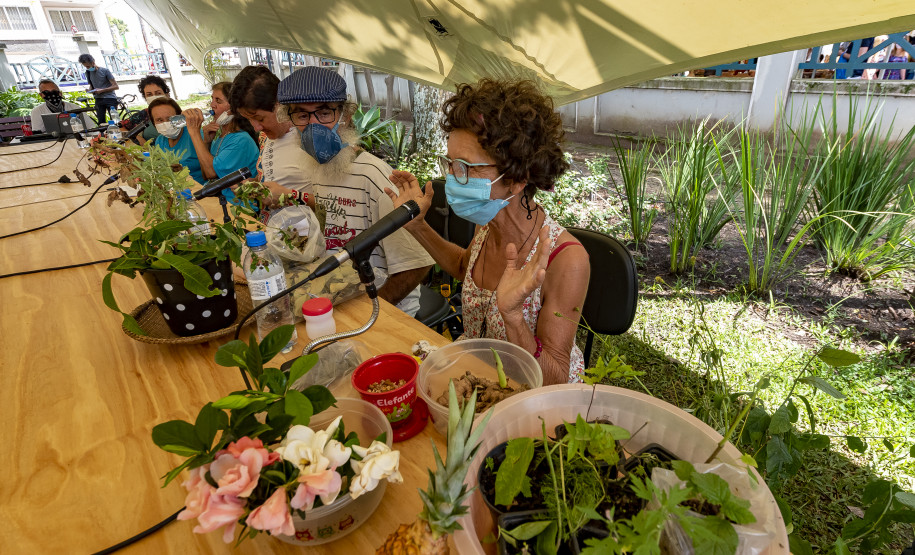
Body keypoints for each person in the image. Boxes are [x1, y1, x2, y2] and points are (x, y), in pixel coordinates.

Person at [386, 79, 591, 385]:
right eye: (451, 164)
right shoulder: (488, 220)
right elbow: (463, 266)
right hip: (478, 376)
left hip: (532, 395)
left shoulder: (566, 259)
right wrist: (417, 226)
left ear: (517, 177)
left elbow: (556, 379)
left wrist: (514, 318)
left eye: (467, 167)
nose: (453, 178)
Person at [275, 66, 434, 317]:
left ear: (345, 116)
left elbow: (417, 265)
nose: (313, 126)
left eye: (324, 113)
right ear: (290, 119)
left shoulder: (374, 177)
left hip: (385, 308)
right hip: (343, 296)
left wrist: (372, 314)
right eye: (302, 115)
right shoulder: (319, 169)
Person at [230, 65, 313, 197]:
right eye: (249, 119)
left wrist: (290, 196)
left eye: (260, 119)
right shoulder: (264, 136)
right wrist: (255, 185)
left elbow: (333, 201)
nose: (256, 128)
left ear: (279, 104)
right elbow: (275, 177)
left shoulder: (312, 137)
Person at [183, 81, 259, 201]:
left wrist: (194, 132)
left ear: (234, 108)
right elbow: (206, 176)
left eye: (218, 101)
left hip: (236, 205)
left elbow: (211, 173)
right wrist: (206, 142)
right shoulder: (220, 138)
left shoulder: (241, 140)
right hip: (219, 201)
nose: (212, 105)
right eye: (212, 99)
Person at [149, 97, 204, 184]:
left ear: (180, 118)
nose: (165, 123)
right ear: (153, 123)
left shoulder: (196, 134)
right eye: (159, 120)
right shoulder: (160, 140)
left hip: (198, 187)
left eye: (169, 118)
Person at [127, 75, 172, 145]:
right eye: (149, 95)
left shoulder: (176, 112)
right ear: (145, 98)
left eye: (158, 93)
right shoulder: (144, 114)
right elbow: (121, 127)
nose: (154, 97)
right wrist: (140, 139)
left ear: (166, 94)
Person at [78, 54, 119, 124]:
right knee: (101, 122)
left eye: (88, 66)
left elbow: (116, 86)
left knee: (115, 121)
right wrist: (90, 90)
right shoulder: (88, 73)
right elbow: (92, 86)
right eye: (85, 67)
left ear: (93, 62)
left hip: (110, 98)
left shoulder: (105, 71)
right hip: (98, 99)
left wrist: (102, 90)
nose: (87, 68)